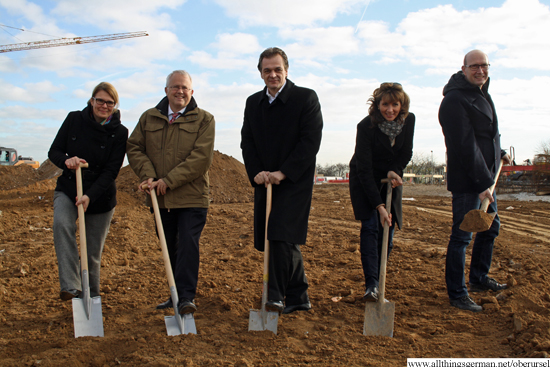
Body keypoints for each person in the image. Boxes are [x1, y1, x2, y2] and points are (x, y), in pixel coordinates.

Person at [241, 47, 323, 314]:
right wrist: (256, 172)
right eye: (267, 70)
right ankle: (299, 297)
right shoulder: (253, 103)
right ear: (261, 73)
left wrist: (283, 172)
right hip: (265, 181)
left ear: (286, 70)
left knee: (278, 232)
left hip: (294, 181)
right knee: (281, 239)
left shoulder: (305, 98)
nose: (272, 74)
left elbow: (310, 141)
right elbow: (248, 141)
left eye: (277, 69)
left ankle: (274, 296)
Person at [127, 70, 215, 315]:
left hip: (192, 197)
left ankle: (186, 297)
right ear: (166, 90)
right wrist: (149, 176)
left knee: (187, 244)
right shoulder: (149, 118)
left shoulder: (204, 119)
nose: (180, 91)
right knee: (169, 247)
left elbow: (201, 158)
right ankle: (175, 294)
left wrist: (169, 180)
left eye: (185, 87)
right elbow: (134, 147)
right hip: (160, 197)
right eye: (175, 87)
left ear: (192, 92)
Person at [439, 50, 511, 312]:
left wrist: (498, 150)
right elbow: (464, 145)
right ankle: (457, 294)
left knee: (491, 228)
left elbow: (487, 133)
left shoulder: (482, 93)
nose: (480, 70)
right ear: (463, 68)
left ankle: (479, 278)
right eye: (474, 66)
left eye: (484, 65)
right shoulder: (454, 100)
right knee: (461, 237)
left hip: (486, 179)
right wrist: (482, 183)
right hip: (471, 181)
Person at [48, 82, 128, 300]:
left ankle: (90, 298)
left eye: (109, 102)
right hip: (69, 188)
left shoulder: (120, 132)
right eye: (99, 100)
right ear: (92, 101)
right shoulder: (74, 119)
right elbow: (53, 151)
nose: (104, 105)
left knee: (92, 252)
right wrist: (67, 160)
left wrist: (90, 196)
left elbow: (112, 171)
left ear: (115, 105)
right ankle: (71, 286)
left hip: (100, 196)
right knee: (62, 225)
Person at [349, 83, 415, 302]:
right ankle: (372, 287)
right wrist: (378, 206)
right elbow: (364, 169)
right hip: (364, 179)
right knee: (370, 229)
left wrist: (394, 170)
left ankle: (379, 281)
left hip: (390, 180)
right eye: (385, 104)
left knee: (387, 234)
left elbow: (406, 152)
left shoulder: (409, 121)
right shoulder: (366, 126)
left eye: (395, 104)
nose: (390, 110)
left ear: (401, 105)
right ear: (377, 105)